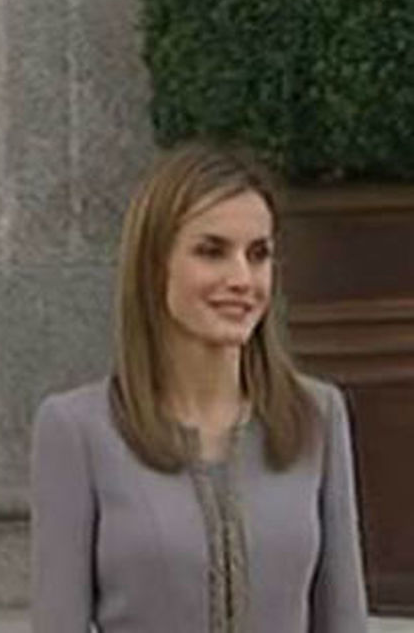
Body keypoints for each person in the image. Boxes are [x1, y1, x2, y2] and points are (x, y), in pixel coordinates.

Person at [30, 142, 367, 632]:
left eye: (258, 255)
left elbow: (343, 620)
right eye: (212, 252)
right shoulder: (77, 430)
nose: (241, 278)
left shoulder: (318, 415)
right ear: (154, 265)